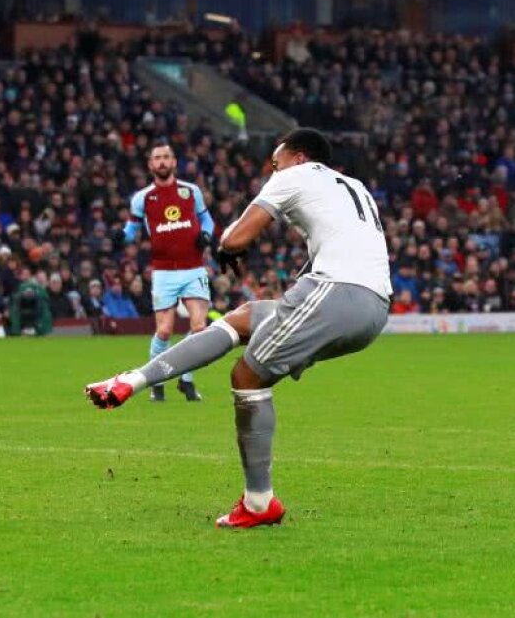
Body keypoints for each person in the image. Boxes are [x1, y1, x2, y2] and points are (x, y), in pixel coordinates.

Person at [84, 129, 391, 528]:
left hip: (336, 293)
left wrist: (227, 244)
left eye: (276, 162)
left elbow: (236, 237)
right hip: (373, 306)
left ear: (298, 157)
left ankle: (259, 502)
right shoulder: (355, 187)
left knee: (247, 377)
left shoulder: (296, 175)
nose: (273, 170)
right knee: (244, 317)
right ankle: (133, 379)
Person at [122, 144, 215, 401]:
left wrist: (206, 235)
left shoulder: (190, 191)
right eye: (157, 158)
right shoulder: (143, 198)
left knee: (199, 328)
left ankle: (186, 380)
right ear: (150, 165)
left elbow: (207, 220)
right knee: (164, 331)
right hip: (163, 272)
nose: (162, 162)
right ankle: (156, 382)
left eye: (166, 157)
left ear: (174, 162)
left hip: (193, 268)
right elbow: (131, 230)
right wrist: (121, 237)